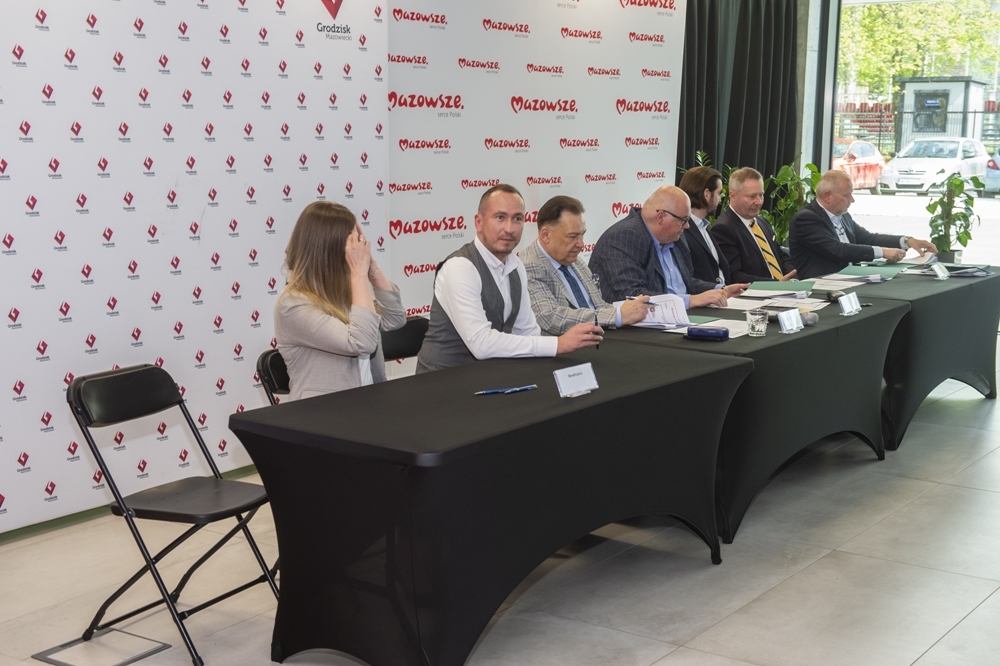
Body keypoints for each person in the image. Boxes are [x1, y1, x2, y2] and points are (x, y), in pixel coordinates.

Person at [415, 184, 601, 374]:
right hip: (443, 380)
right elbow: (481, 343)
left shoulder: (516, 266)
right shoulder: (460, 268)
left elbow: (527, 331)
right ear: (479, 223)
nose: (509, 228)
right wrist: (558, 344)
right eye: (500, 217)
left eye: (517, 219)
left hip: (491, 376)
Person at [274, 201, 405, 400]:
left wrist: (370, 265)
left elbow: (394, 318)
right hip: (324, 411)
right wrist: (358, 273)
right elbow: (361, 342)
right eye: (352, 242)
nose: (357, 248)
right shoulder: (292, 304)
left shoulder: (346, 291)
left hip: (369, 404)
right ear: (331, 248)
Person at [587, 185, 749, 307]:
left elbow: (684, 283)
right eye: (684, 220)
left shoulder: (674, 235)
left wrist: (719, 289)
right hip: (632, 331)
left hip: (674, 320)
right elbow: (632, 295)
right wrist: (691, 300)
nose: (687, 226)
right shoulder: (624, 237)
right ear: (661, 217)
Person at [521, 195, 651, 335]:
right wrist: (619, 315)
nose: (581, 244)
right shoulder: (529, 266)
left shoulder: (575, 260)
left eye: (582, 235)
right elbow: (552, 318)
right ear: (545, 235)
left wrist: (632, 309)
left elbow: (598, 306)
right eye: (572, 236)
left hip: (602, 338)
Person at [789, 169, 938, 279]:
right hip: (822, 285)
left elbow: (868, 238)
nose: (852, 200)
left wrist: (907, 241)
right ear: (827, 196)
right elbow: (838, 250)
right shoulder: (806, 219)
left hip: (849, 280)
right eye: (847, 195)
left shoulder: (843, 216)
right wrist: (883, 252)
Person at [710, 167, 797, 283]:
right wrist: (776, 284)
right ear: (733, 195)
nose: (759, 202)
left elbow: (780, 256)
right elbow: (735, 275)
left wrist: (792, 277)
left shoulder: (762, 222)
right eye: (752, 196)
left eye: (761, 195)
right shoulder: (723, 229)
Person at [678, 166, 731, 285]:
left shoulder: (703, 228)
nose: (720, 200)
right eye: (719, 193)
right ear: (707, 194)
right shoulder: (681, 230)